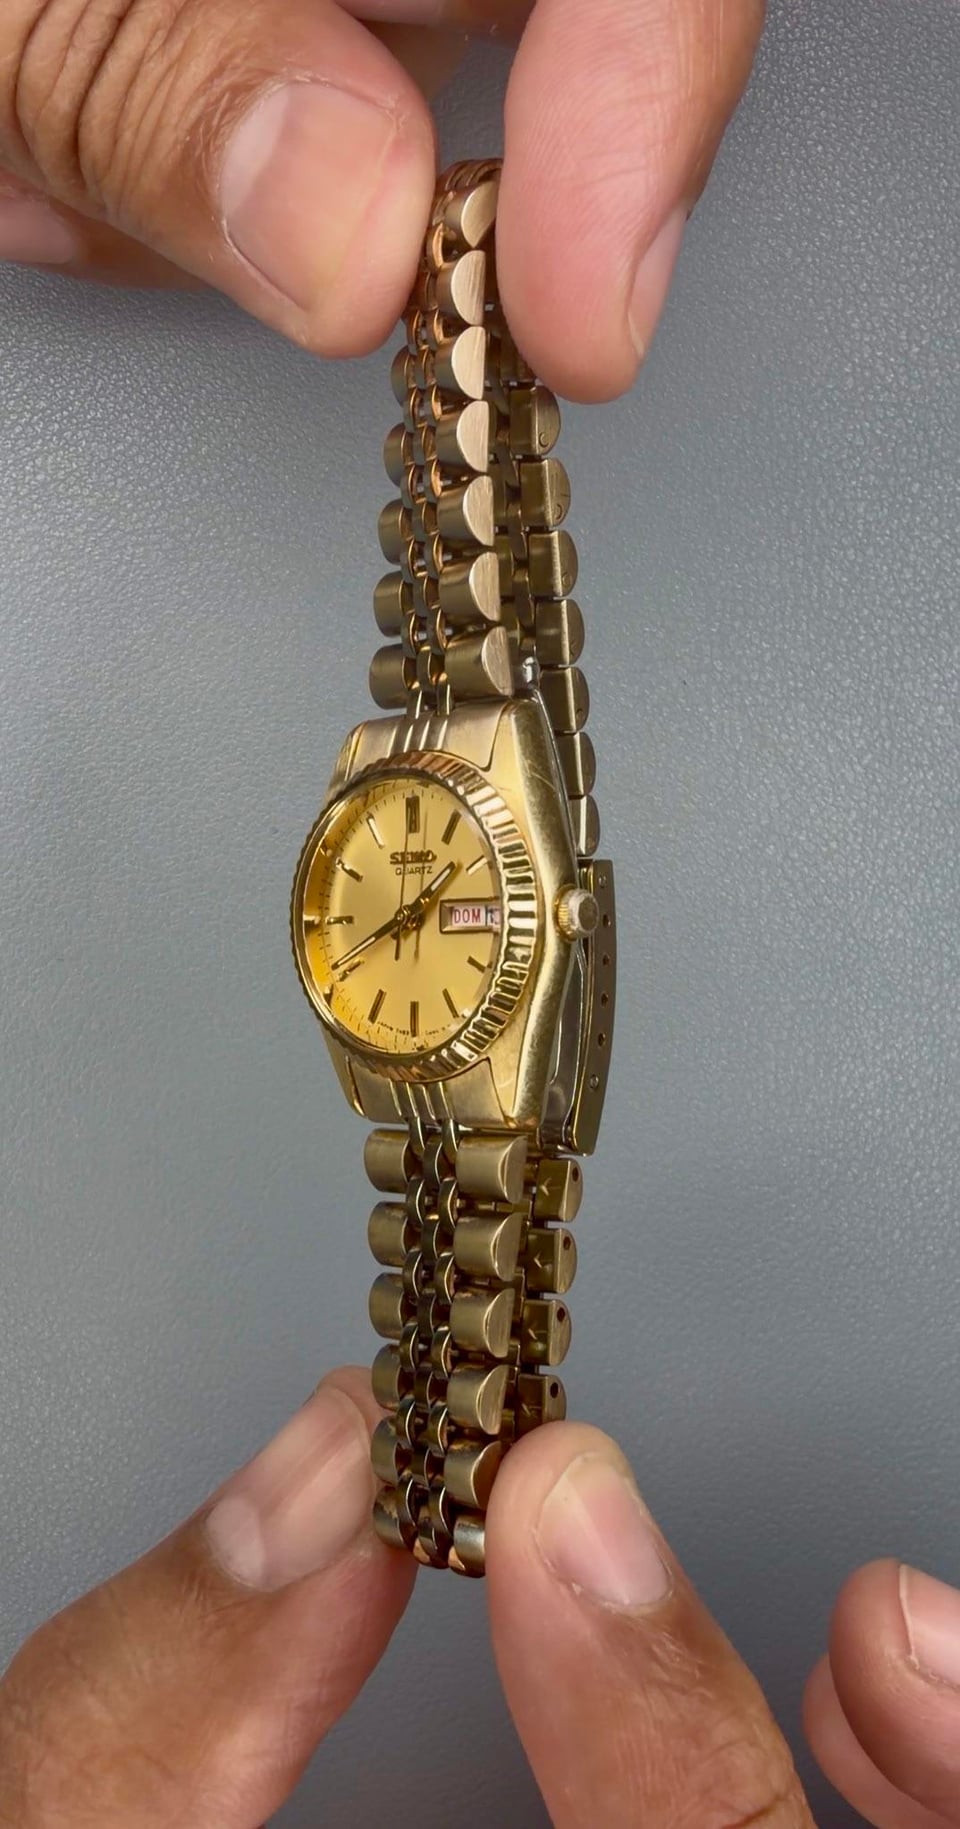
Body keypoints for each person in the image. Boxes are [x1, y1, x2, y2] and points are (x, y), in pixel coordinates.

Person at [1, 4, 955, 1824]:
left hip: (477, 1021)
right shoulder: (426, 786)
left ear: (565, 917)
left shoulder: (493, 784)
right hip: (443, 991)